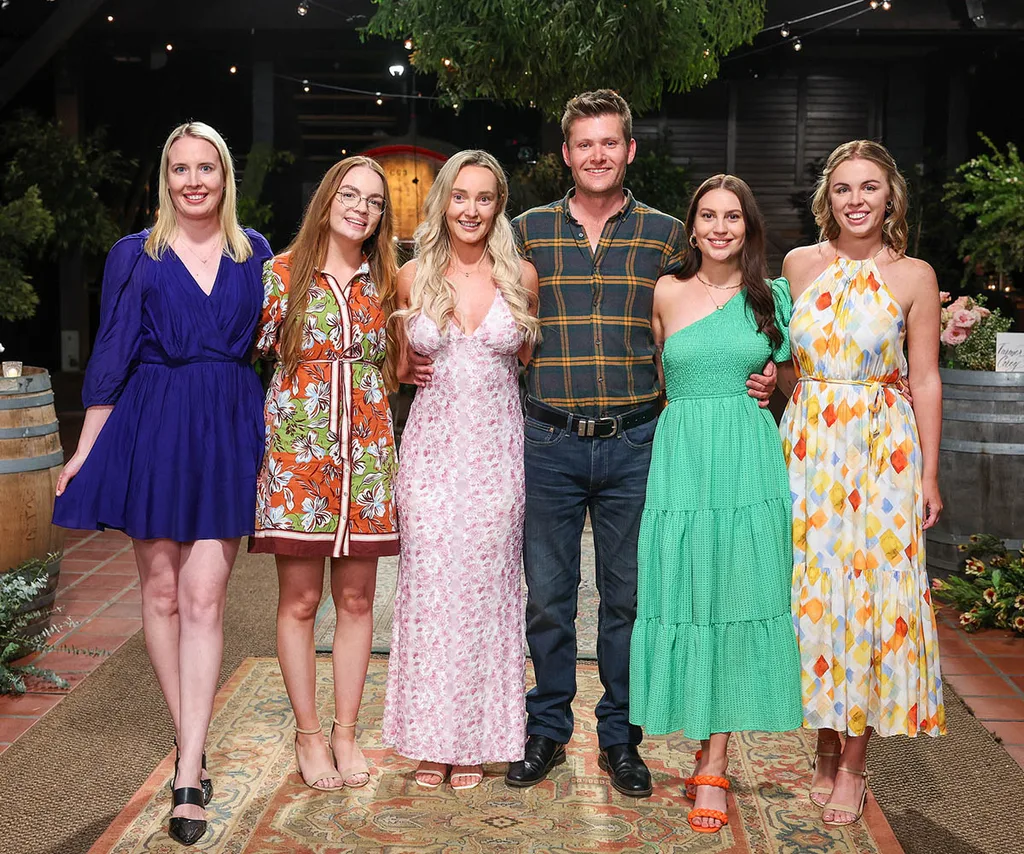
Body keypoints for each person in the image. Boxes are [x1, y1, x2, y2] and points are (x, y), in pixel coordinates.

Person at [499, 90, 778, 796]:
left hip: (635, 443)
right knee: (549, 599)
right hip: (549, 436)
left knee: (629, 600)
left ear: (629, 150)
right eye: (583, 144)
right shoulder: (527, 231)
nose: (597, 155)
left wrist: (766, 370)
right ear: (566, 153)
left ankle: (622, 738)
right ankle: (548, 730)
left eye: (609, 143)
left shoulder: (662, 235)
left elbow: (718, 307)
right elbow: (477, 295)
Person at [53, 121, 272, 846]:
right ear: (165, 179)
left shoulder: (257, 253)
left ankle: (188, 769)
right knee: (162, 593)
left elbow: (284, 347)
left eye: (205, 167)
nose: (193, 181)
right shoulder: (133, 255)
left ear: (224, 175)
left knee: (207, 595)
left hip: (227, 428)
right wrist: (85, 450)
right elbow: (112, 356)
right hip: (153, 427)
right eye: (179, 169)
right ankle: (192, 746)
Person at [629, 175, 802, 833]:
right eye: (709, 216)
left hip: (746, 457)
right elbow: (654, 373)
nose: (721, 228)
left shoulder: (770, 298)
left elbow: (792, 379)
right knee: (684, 593)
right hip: (681, 457)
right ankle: (689, 726)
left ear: (748, 228)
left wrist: (771, 381)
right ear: (692, 226)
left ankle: (715, 762)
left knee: (736, 594)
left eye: (733, 217)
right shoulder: (666, 292)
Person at [780, 140, 946, 827]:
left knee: (874, 601)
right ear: (828, 197)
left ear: (890, 197)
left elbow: (928, 375)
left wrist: (931, 473)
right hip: (809, 446)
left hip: (883, 454)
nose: (855, 200)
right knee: (816, 598)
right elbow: (786, 361)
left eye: (869, 188)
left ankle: (853, 762)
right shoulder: (797, 265)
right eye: (844, 188)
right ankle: (822, 746)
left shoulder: (913, 276)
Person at [381, 150, 540, 791]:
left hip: (498, 457)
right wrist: (408, 368)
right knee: (428, 597)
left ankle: (475, 739)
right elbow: (398, 369)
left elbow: (524, 361)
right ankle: (429, 738)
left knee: (488, 598)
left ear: (498, 205)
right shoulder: (411, 276)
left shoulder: (520, 277)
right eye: (460, 196)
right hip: (429, 456)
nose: (471, 210)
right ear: (442, 201)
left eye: (484, 198)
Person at [251, 156, 399, 792]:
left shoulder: (389, 282)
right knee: (302, 600)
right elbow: (242, 356)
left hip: (366, 465)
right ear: (326, 197)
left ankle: (345, 732)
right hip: (298, 463)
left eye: (373, 201)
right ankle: (307, 734)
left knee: (359, 600)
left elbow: (410, 358)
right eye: (349, 194)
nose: (360, 208)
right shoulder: (280, 276)